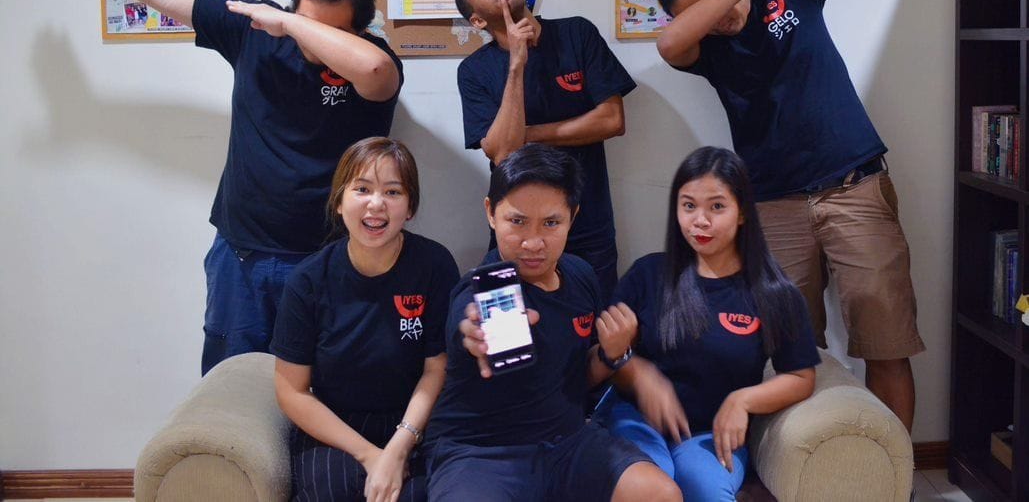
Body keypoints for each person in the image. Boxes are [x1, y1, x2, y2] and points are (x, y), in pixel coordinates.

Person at [651, 0, 988, 430]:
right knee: (790, 353)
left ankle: (893, 472)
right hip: (774, 204)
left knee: (886, 344)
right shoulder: (702, 48)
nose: (721, 21)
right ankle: (811, 470)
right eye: (704, 14)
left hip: (855, 188)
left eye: (718, 1)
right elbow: (670, 44)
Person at [28, 0, 403, 374]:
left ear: (360, 30)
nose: (309, 43)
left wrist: (291, 24)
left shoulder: (373, 60)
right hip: (241, 256)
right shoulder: (256, 29)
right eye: (304, 20)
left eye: (330, 31)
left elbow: (375, 71)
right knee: (229, 386)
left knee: (326, 385)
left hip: (330, 258)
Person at [425, 144, 682, 502]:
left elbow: (575, 376)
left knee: (661, 494)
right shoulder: (479, 293)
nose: (533, 242)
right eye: (517, 221)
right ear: (491, 213)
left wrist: (613, 355)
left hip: (568, 442)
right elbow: (468, 325)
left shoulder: (580, 275)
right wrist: (475, 336)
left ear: (572, 217)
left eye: (551, 223)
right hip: (481, 453)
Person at [595, 147, 818, 501]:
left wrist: (743, 400)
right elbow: (605, 357)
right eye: (688, 206)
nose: (700, 220)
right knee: (648, 489)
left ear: (742, 212)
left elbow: (801, 376)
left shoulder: (773, 291)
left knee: (709, 492)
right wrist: (636, 371)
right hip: (635, 421)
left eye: (716, 206)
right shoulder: (647, 274)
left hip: (710, 434)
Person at [271, 138, 459, 502]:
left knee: (419, 494)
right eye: (362, 189)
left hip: (415, 420)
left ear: (410, 207)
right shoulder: (308, 280)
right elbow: (291, 391)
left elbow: (437, 368)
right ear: (339, 202)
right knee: (335, 492)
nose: (376, 204)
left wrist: (400, 447)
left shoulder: (434, 265)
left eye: (392, 191)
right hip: (336, 424)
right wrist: (371, 456)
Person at [454, 0, 636, 300]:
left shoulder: (576, 33)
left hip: (587, 220)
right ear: (477, 21)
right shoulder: (473, 71)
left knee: (595, 323)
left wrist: (528, 134)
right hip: (514, 228)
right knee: (508, 327)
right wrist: (516, 65)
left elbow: (612, 120)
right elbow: (504, 153)